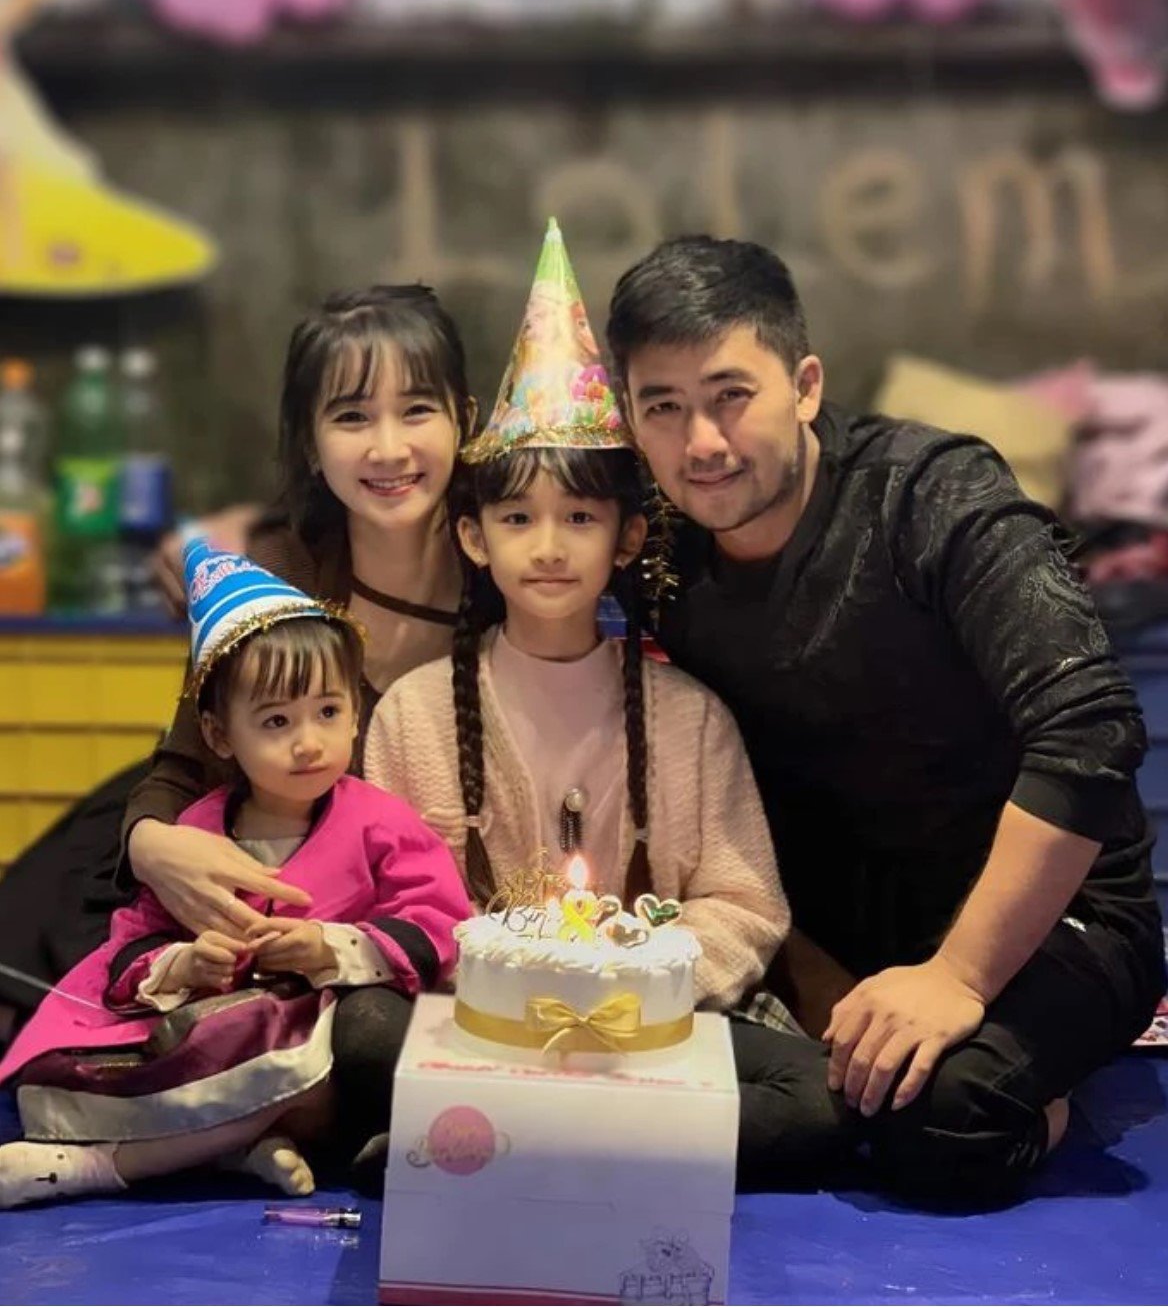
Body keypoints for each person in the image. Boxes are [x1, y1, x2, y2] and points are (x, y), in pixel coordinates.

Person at [603, 234, 1166, 1202]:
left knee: (941, 1126)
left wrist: (958, 977)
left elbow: (1092, 732)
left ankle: (1045, 1079)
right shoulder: (656, 556)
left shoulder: (931, 497)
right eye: (664, 407)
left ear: (805, 386)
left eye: (731, 395)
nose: (701, 443)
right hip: (835, 939)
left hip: (1048, 919)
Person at [364, 220, 852, 1184]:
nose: (548, 547)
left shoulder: (689, 717)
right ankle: (601, 1147)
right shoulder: (413, 717)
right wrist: (507, 983)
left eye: (580, 517)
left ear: (627, 540)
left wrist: (633, 987)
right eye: (516, 518)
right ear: (473, 538)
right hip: (479, 1027)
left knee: (818, 1101)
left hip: (655, 1028)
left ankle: (511, 1148)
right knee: (366, 1031)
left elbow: (746, 902)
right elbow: (391, 899)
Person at [0, 535, 469, 1209]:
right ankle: (234, 1147)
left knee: (349, 1052)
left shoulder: (381, 822)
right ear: (220, 736)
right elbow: (134, 938)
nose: (308, 742)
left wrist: (333, 948)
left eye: (328, 712)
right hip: (222, 1035)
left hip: (318, 1038)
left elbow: (440, 922)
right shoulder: (196, 830)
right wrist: (184, 964)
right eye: (276, 721)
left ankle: (100, 1166)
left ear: (355, 715)